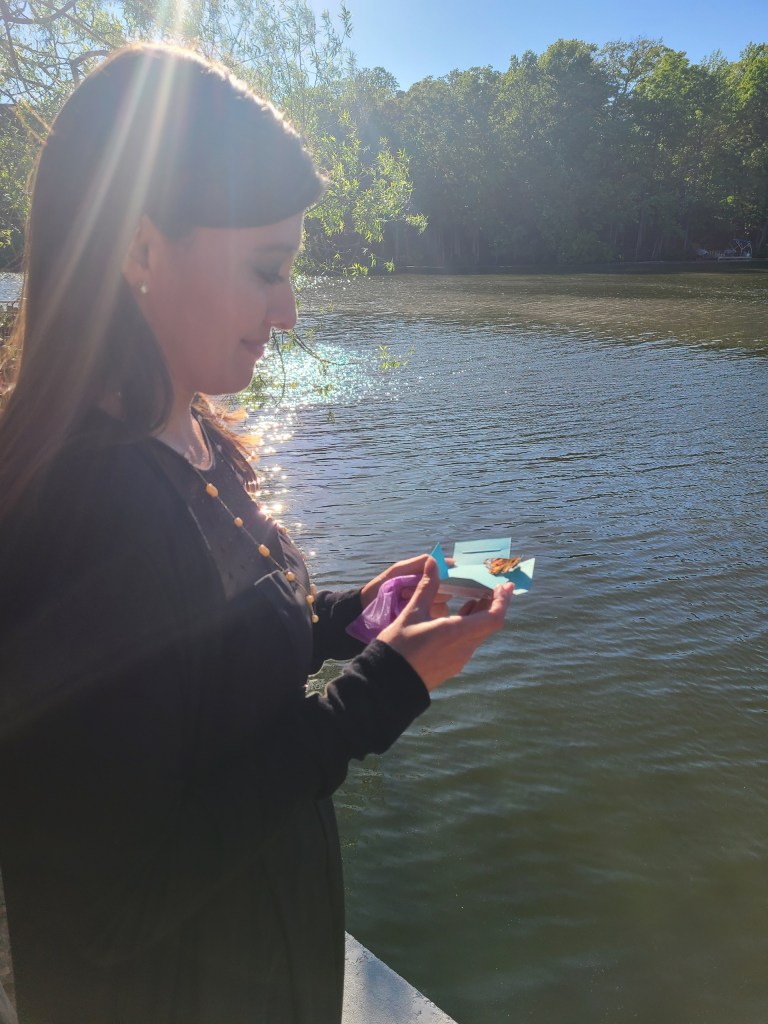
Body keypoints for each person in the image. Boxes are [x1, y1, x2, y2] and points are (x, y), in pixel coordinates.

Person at [0, 44, 513, 1024]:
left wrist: (354, 618)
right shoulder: (78, 511)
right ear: (140, 250)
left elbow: (197, 650)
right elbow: (107, 902)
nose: (289, 310)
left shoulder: (194, 435)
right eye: (267, 268)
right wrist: (378, 693)